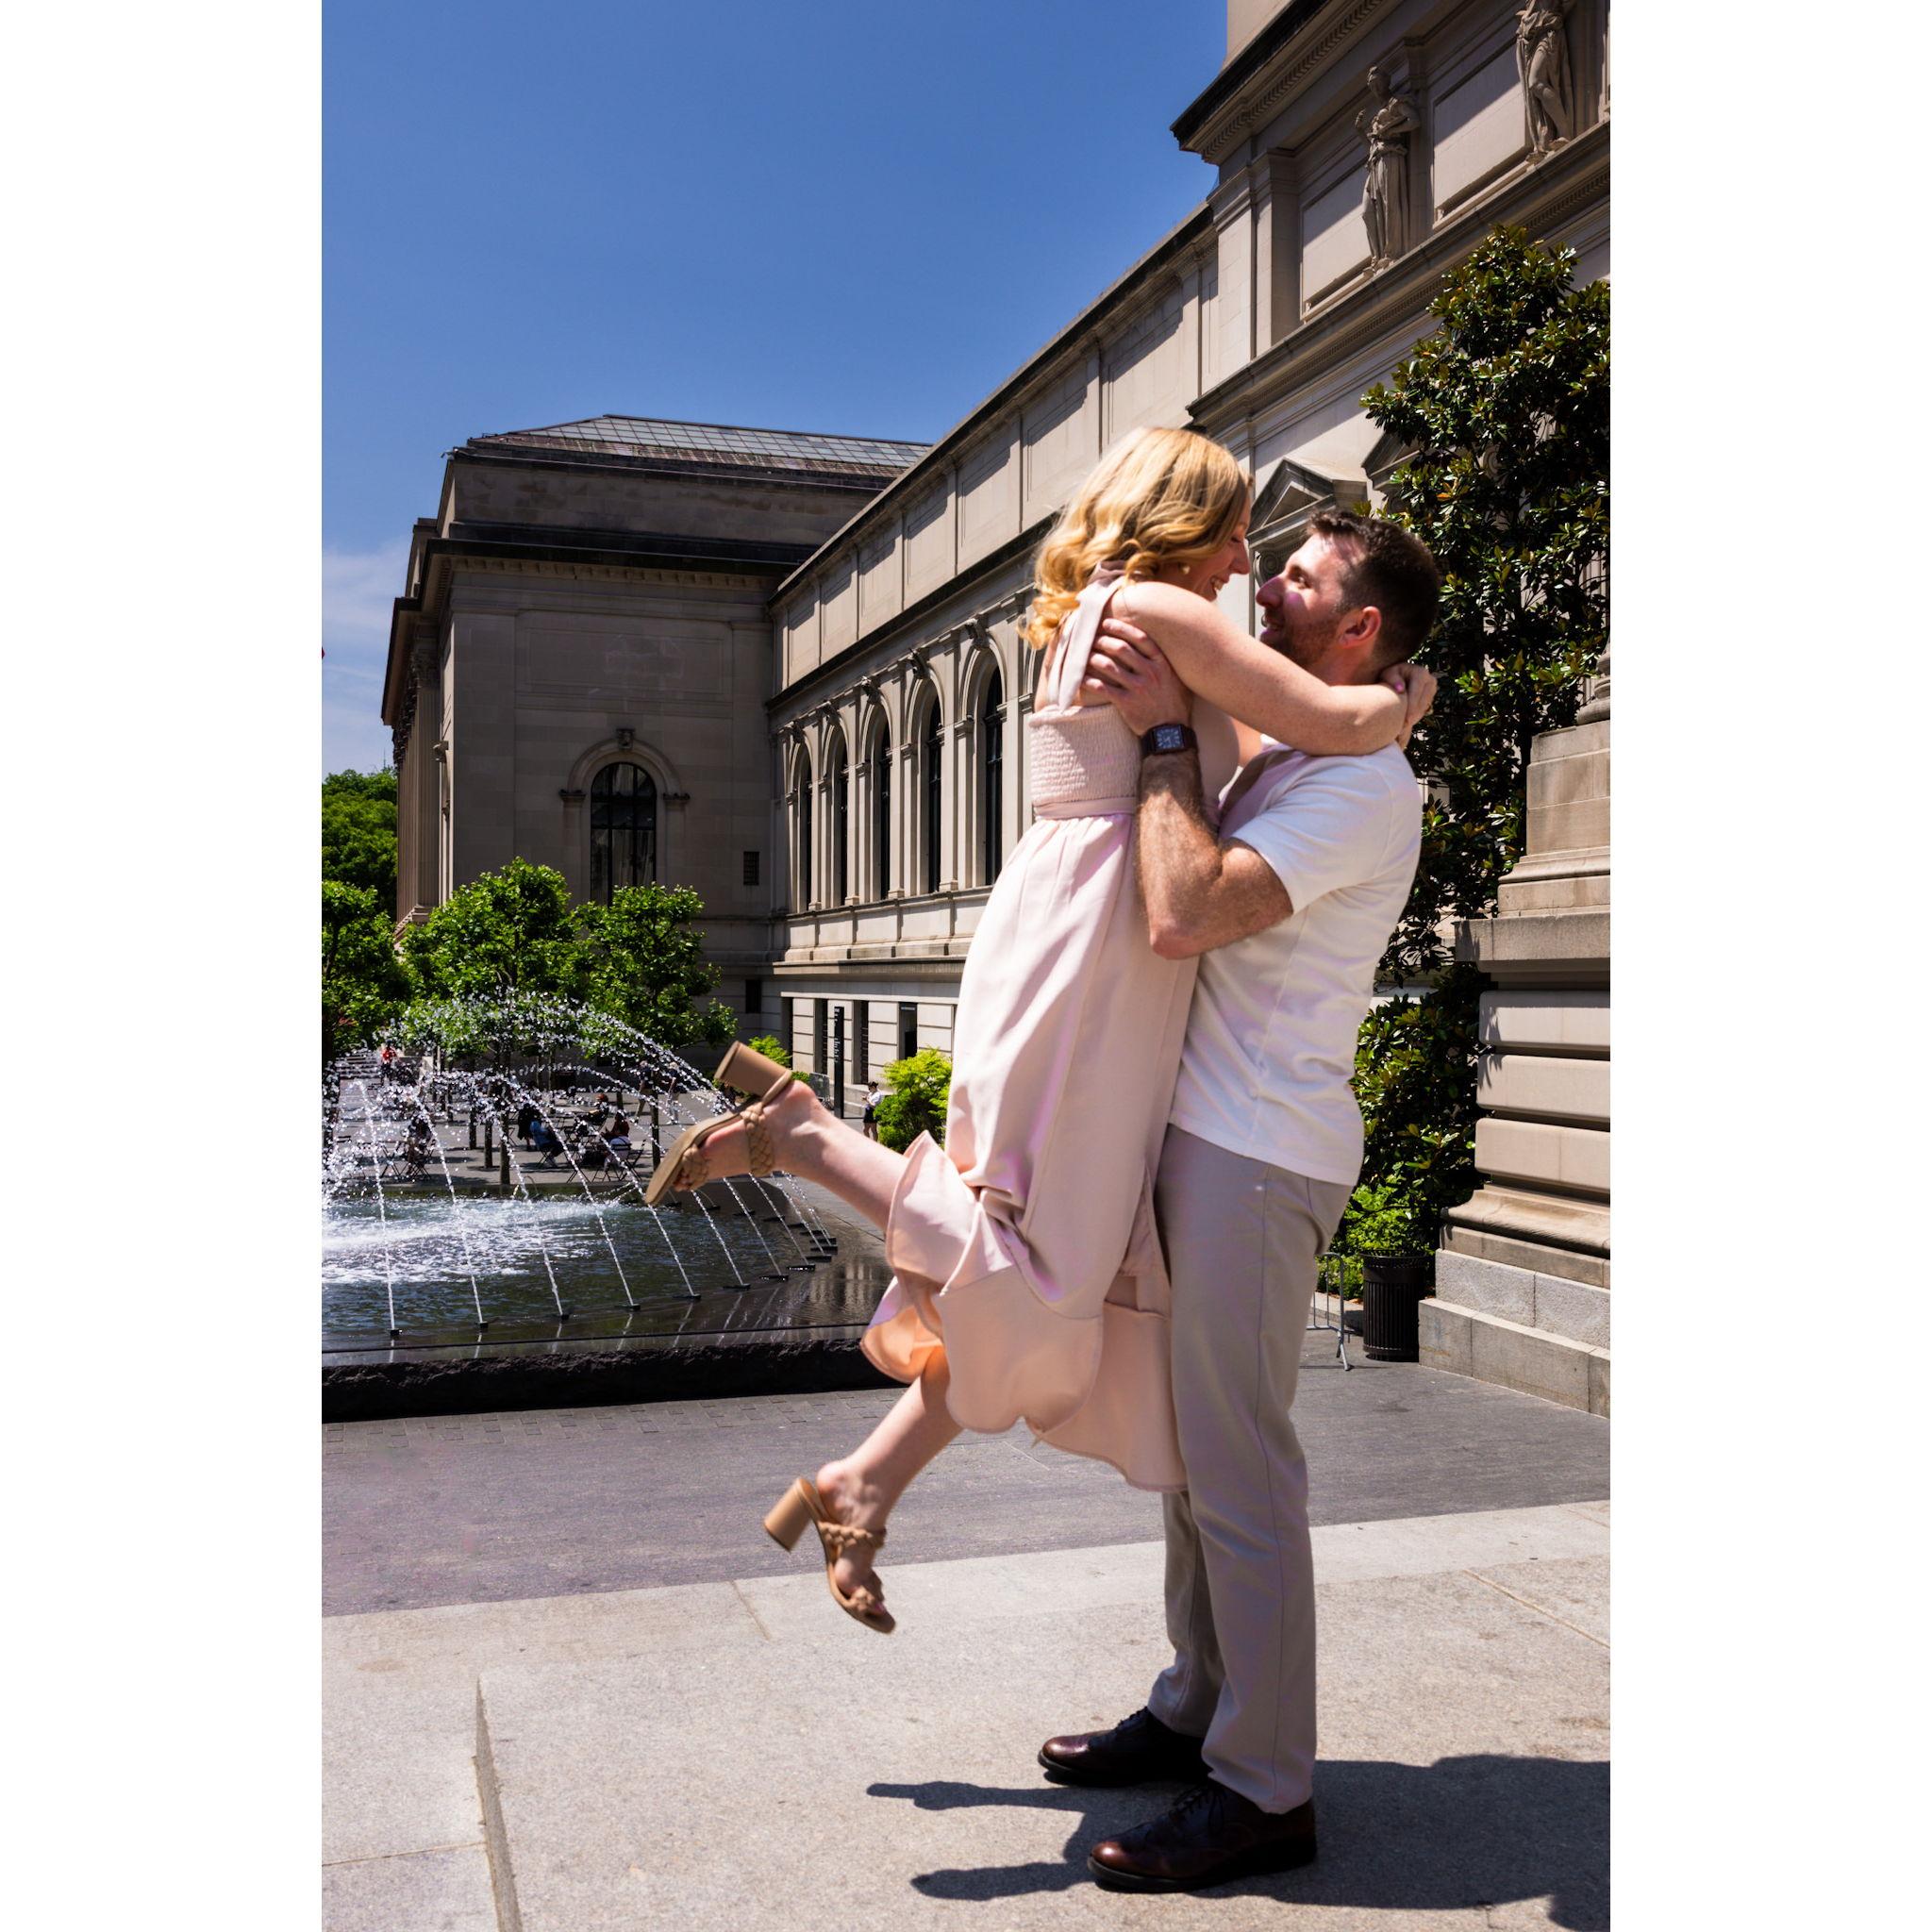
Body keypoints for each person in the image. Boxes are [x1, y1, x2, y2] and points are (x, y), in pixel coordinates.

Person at [644, 428, 1434, 1640]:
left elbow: (1268, 748)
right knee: (1050, 1253)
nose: (1244, 559)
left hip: (1057, 931)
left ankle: (867, 1474)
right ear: (1177, 525)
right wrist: (1401, 700)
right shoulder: (1166, 614)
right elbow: (1328, 719)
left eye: (1271, 556)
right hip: (1107, 957)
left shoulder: (1086, 613)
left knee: (1047, 1244)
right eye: (1233, 531)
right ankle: (805, 1138)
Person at [1027, 507, 1439, 1889]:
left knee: (1242, 1472)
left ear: (1362, 625)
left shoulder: (1363, 790)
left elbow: (1186, 910)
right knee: (1199, 1462)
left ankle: (1267, 1788)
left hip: (1256, 1154)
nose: (1267, 587)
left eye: (1302, 579)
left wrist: (1156, 741)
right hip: (1213, 1134)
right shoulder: (1325, 746)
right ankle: (1200, 1704)